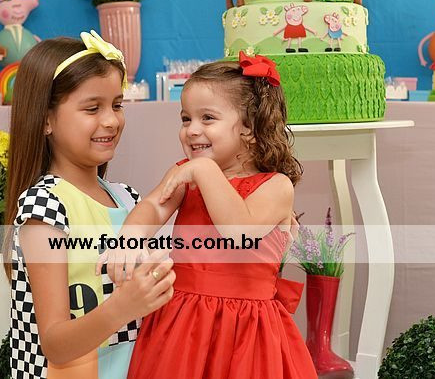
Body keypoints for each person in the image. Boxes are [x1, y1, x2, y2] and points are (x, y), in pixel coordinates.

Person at [107, 51, 317, 378]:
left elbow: (239, 231)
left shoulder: (276, 186)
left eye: (207, 118)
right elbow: (153, 206)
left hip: (247, 330)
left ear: (249, 127)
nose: (192, 130)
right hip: (183, 323)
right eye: (185, 119)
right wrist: (129, 238)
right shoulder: (185, 173)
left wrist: (204, 170)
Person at [2, 31, 175, 379]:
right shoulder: (45, 206)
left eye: (117, 105)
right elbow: (55, 344)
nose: (111, 120)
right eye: (92, 108)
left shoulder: (129, 199)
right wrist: (122, 307)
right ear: (46, 119)